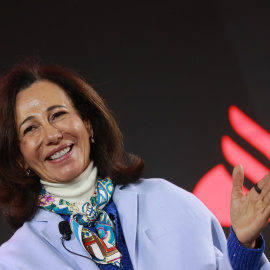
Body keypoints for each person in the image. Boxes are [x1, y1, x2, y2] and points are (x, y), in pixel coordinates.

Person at [0, 61, 269, 270]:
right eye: (30, 129)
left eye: (58, 115)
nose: (52, 135)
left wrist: (242, 244)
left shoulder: (165, 198)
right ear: (19, 158)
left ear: (88, 124)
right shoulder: (15, 261)